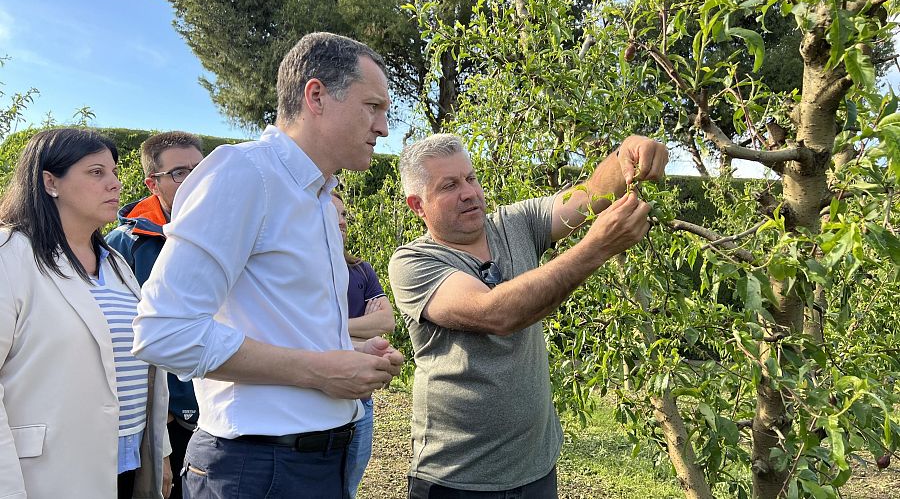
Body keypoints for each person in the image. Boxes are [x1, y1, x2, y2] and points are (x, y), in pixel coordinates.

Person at [132, 32, 404, 498]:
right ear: (316, 95)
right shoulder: (244, 174)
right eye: (373, 107)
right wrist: (319, 370)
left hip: (310, 464)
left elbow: (270, 320)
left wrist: (341, 350)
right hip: (256, 470)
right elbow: (164, 331)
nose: (383, 127)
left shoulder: (318, 197)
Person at [388, 133, 668, 498]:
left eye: (471, 178)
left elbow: (589, 195)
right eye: (449, 185)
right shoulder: (413, 263)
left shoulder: (515, 223)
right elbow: (496, 313)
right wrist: (596, 247)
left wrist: (626, 155)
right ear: (418, 205)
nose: (469, 192)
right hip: (457, 479)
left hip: (536, 469)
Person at [0, 128, 172, 499]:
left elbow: (138, 367)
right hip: (48, 475)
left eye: (113, 172)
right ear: (50, 182)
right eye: (96, 173)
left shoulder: (117, 265)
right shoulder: (9, 255)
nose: (115, 183)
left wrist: (162, 452)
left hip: (129, 465)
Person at [106, 131, 205, 499]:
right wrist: (158, 420)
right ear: (153, 183)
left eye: (200, 169)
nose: (194, 180)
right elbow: (122, 335)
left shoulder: (225, 232)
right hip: (166, 416)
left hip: (221, 404)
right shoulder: (123, 244)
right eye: (181, 173)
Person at [332, 192, 396, 498]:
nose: (342, 222)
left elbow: (386, 322)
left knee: (350, 485)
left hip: (363, 398)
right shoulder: (301, 274)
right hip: (325, 391)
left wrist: (332, 328)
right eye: (334, 215)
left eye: (344, 215)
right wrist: (359, 333)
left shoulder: (360, 270)